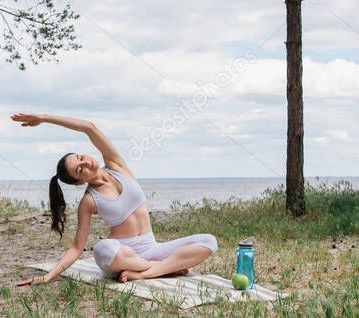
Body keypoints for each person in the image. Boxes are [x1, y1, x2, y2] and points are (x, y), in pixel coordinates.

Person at [12, 113, 218, 285]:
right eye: (79, 169)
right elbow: (77, 248)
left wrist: (44, 118)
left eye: (82, 158)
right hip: (122, 256)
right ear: (79, 182)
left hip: (152, 248)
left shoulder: (116, 165)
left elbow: (89, 128)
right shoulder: (89, 201)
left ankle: (148, 272)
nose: (86, 164)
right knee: (102, 248)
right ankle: (165, 267)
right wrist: (47, 277)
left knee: (209, 241)